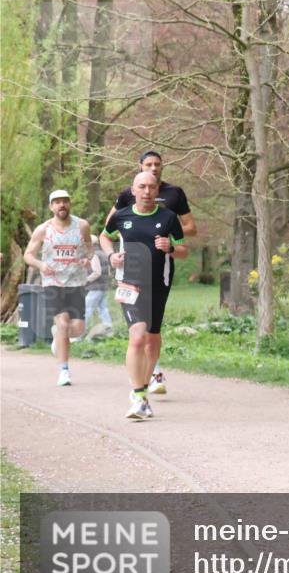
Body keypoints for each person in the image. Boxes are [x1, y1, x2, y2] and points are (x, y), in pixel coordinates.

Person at [107, 150, 197, 395]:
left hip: (159, 277)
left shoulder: (172, 203)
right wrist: (111, 255)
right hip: (129, 280)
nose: (147, 191)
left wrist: (169, 244)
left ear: (157, 190)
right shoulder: (124, 204)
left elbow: (187, 238)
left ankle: (149, 376)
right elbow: (107, 233)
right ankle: (138, 393)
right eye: (148, 165)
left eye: (157, 165)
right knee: (137, 336)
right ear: (134, 187)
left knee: (152, 334)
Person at [23, 190, 93, 386]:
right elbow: (28, 255)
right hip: (53, 283)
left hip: (76, 283)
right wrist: (41, 265)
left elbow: (89, 248)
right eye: (57, 202)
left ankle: (58, 336)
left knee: (77, 329)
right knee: (63, 323)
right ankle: (64, 371)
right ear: (51, 207)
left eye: (64, 201)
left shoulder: (82, 226)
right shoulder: (43, 230)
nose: (61, 205)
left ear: (69, 204)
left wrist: (87, 259)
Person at [84, 234, 113, 334]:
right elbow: (108, 272)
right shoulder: (103, 253)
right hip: (104, 286)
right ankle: (109, 332)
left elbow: (97, 272)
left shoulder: (94, 254)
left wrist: (86, 280)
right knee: (103, 309)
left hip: (95, 287)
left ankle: (78, 335)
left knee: (86, 309)